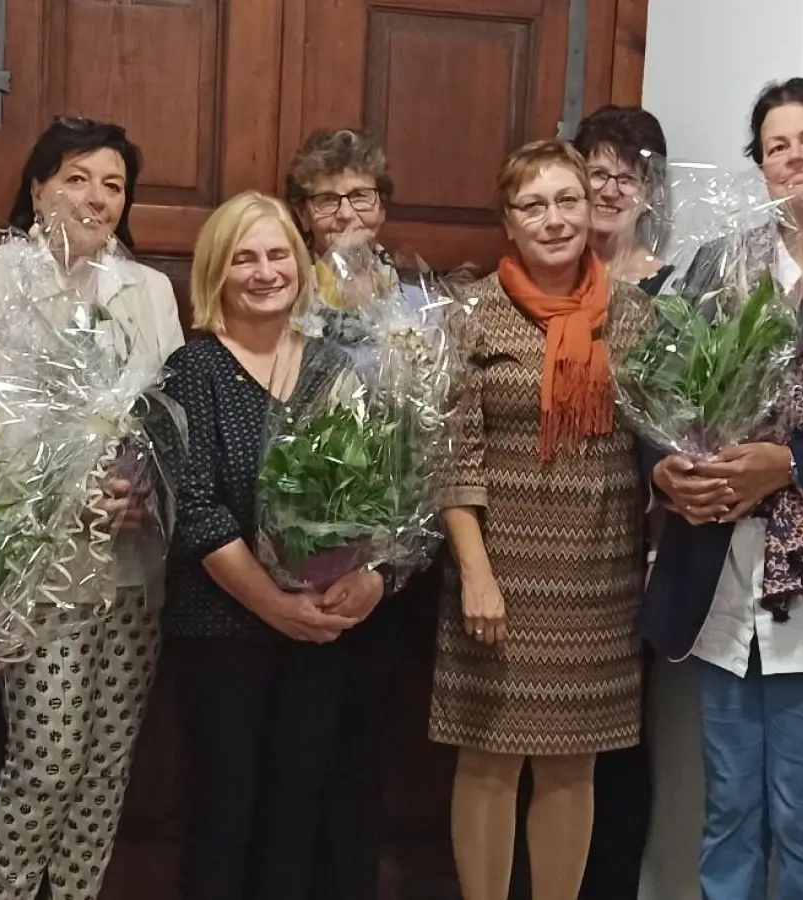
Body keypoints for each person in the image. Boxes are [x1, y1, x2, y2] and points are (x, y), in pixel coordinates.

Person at [640, 78, 803, 899]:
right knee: (727, 807)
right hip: (721, 575)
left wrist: (789, 466)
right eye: (775, 145)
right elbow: (655, 398)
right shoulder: (716, 269)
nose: (794, 156)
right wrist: (665, 467)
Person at [0, 116, 185, 900]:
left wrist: (147, 486)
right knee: (45, 763)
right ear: (36, 187)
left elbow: (169, 417)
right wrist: (58, 482)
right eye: (77, 178)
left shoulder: (148, 289)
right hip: (38, 569)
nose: (96, 198)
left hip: (132, 565)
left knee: (106, 763)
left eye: (113, 185)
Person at [430, 139, 646, 900]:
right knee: (486, 759)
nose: (553, 220)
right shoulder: (469, 314)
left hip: (599, 570)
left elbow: (663, 435)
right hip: (498, 566)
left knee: (572, 762)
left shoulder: (637, 315)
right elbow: (453, 453)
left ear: (591, 210)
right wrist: (475, 574)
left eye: (567, 201)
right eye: (533, 205)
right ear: (508, 221)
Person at [159, 191, 382, 900]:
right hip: (222, 633)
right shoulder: (187, 372)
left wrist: (372, 577)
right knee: (225, 816)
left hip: (322, 633)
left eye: (277, 253)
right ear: (216, 272)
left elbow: (386, 491)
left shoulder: (336, 367)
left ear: (301, 264)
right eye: (243, 257)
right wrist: (272, 605)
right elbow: (193, 510)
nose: (264, 271)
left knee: (302, 819)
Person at [282, 125, 445, 900]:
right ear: (304, 212)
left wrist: (385, 563)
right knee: (290, 760)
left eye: (360, 195)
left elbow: (437, 436)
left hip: (388, 567)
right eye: (325, 198)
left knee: (363, 757)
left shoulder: (421, 306)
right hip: (288, 568)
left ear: (382, 206)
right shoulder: (282, 289)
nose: (345, 210)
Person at [573, 105, 674, 294]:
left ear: (650, 193)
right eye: (599, 174)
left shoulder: (669, 290)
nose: (610, 192)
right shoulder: (553, 274)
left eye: (627, 179)